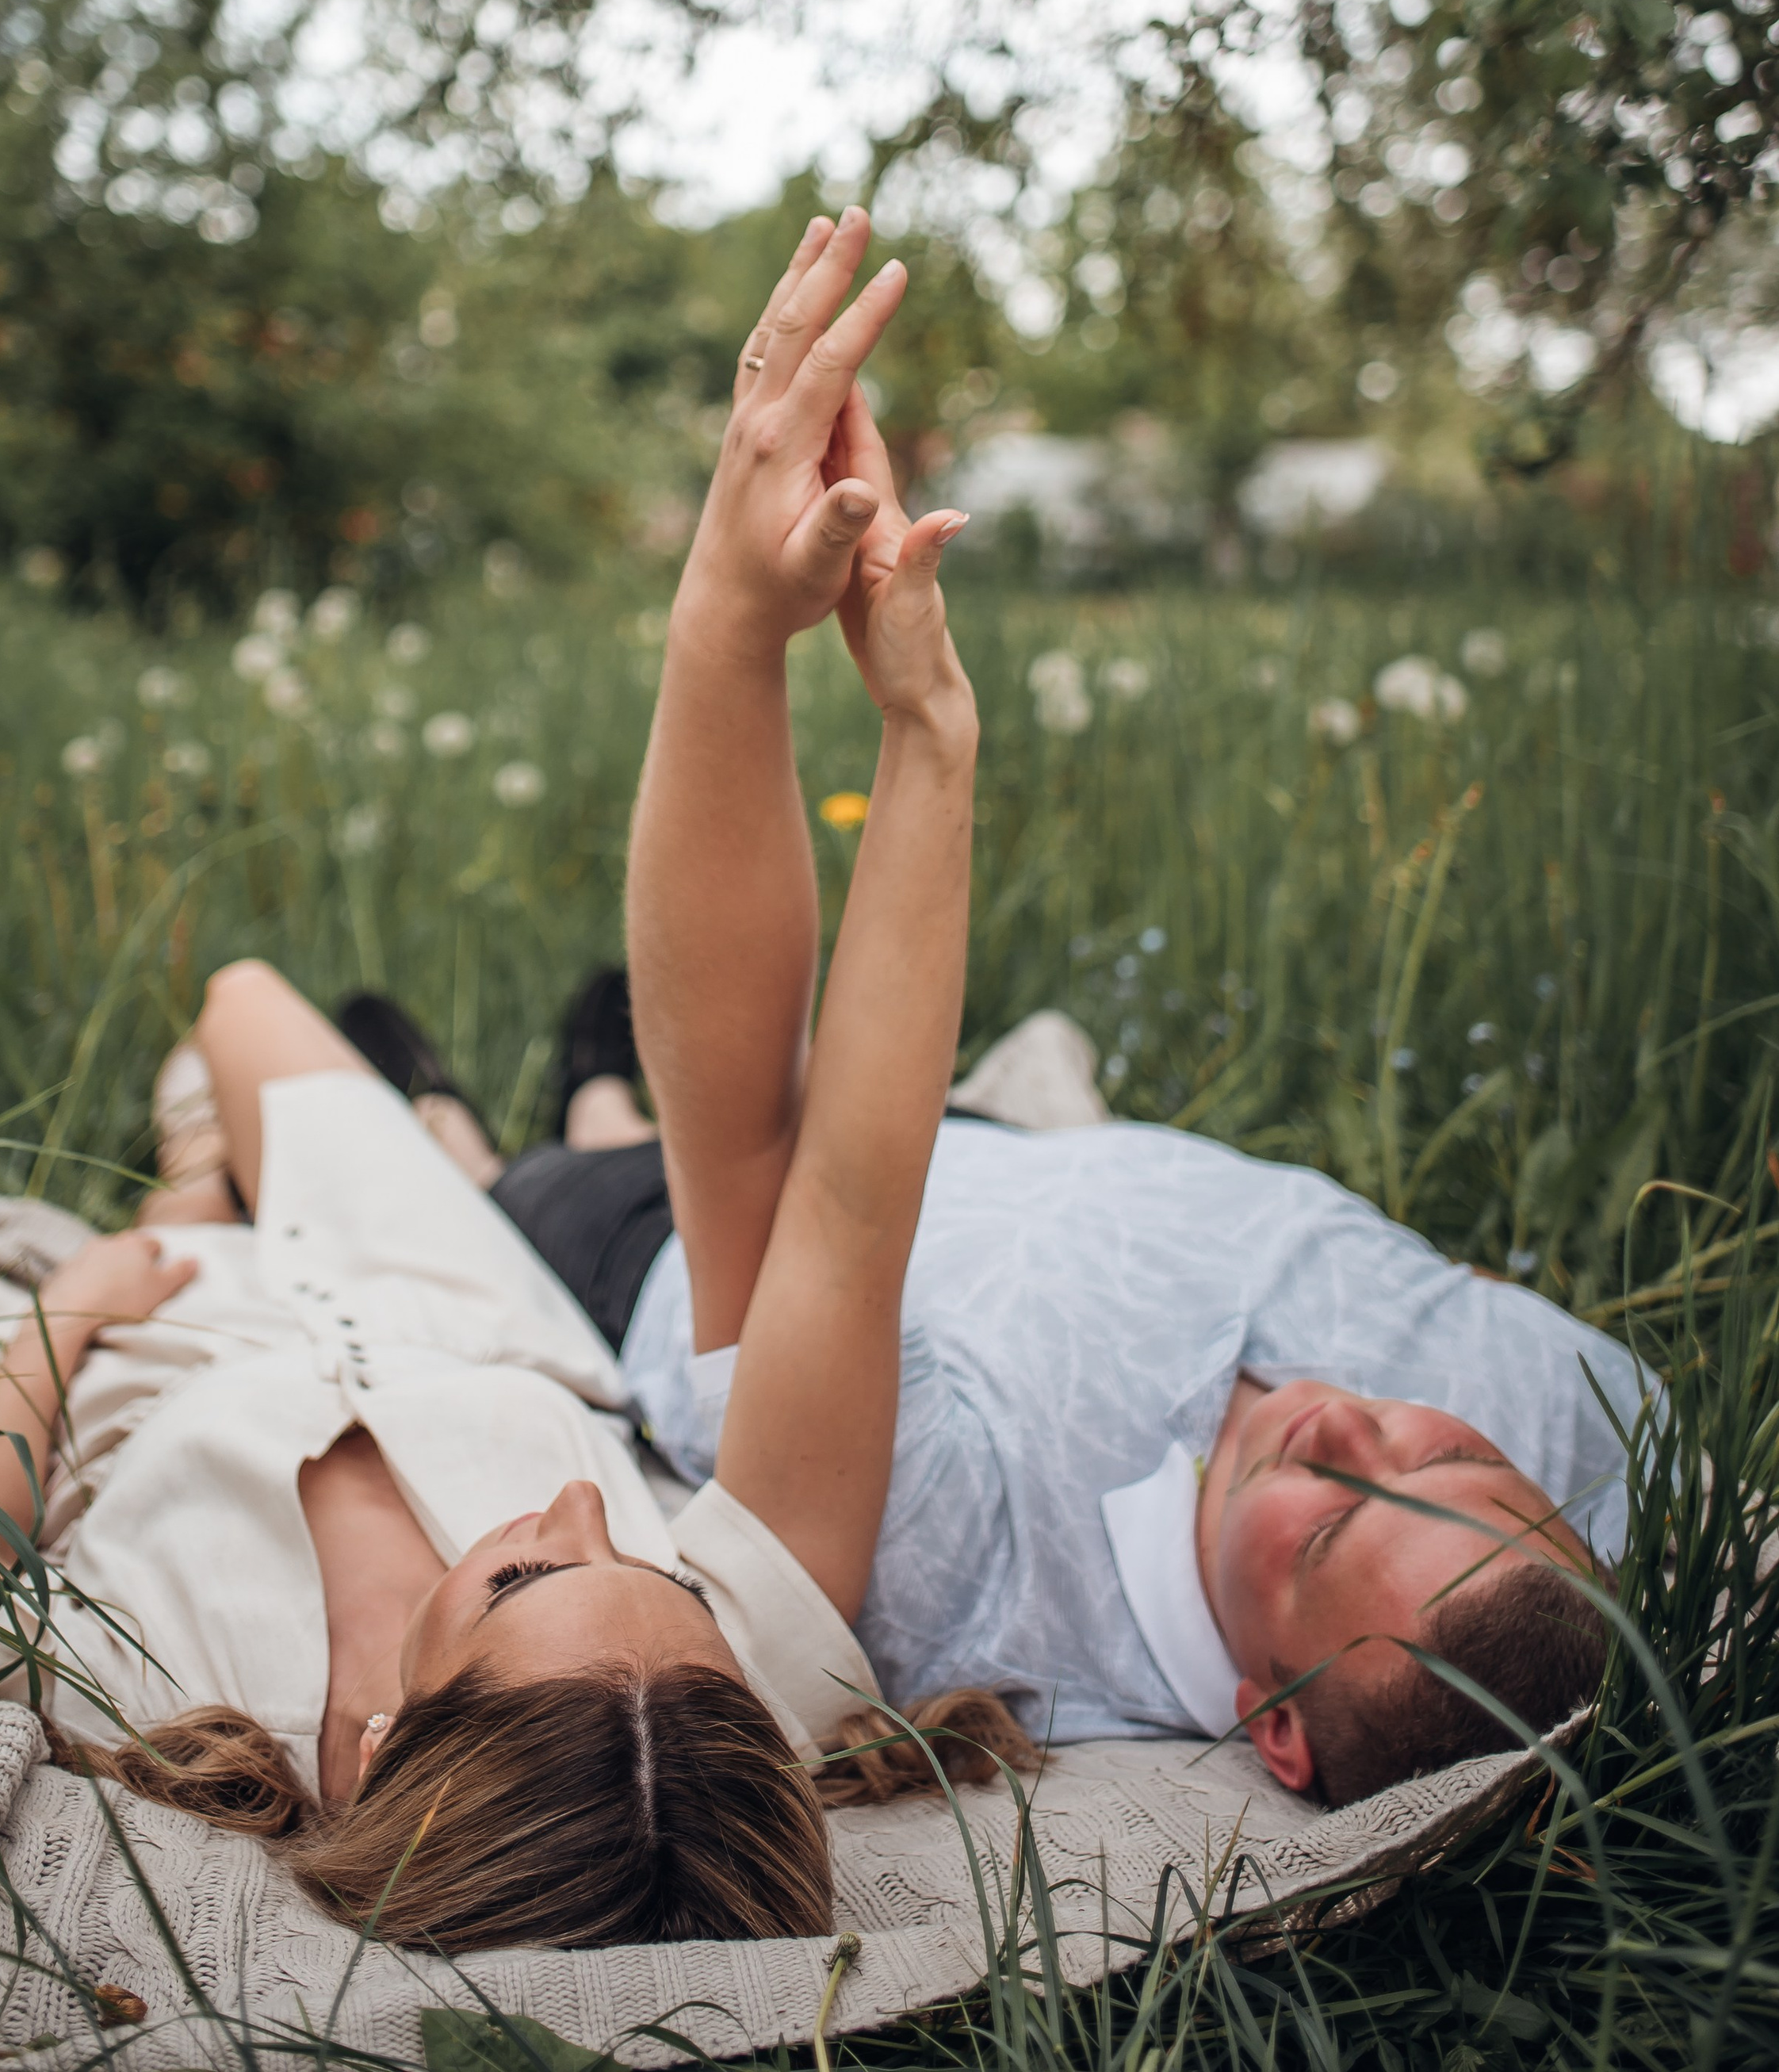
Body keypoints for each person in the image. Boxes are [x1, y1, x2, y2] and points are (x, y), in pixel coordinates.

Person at [356, 207, 1636, 1810]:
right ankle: (586, 1067)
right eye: (1435, 1450)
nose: (1342, 1423)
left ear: (1275, 1722)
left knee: (556, 1158)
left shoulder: (972, 1560)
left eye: (1323, 1518)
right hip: (981, 1147)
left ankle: (473, 1115)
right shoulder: (1567, 1438)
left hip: (685, 1231)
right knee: (621, 1039)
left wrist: (745, 631)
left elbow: (758, 1148)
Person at [0, 213, 1009, 1949]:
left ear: (370, 1751)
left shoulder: (162, 1684)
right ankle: (409, 1137)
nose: (592, 1499)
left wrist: (80, 1308)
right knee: (250, 998)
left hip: (181, 1322)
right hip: (444, 1283)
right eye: (643, 1557)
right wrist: (927, 730)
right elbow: (850, 1207)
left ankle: (207, 1170)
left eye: (521, 1573)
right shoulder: (717, 1691)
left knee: (231, 1043)